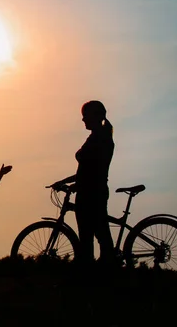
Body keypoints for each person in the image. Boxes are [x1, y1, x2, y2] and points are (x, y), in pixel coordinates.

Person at [52, 100, 115, 270]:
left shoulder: (99, 139)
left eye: (85, 116)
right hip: (92, 190)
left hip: (91, 193)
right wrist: (68, 183)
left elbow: (92, 171)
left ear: (95, 116)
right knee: (96, 234)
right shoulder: (99, 137)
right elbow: (87, 171)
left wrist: (72, 183)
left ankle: (95, 275)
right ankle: (100, 272)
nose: (83, 120)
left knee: (90, 237)